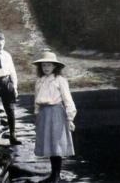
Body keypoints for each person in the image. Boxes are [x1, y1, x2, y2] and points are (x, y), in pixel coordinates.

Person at [33, 50, 77, 183]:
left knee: (56, 144)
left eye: (49, 65)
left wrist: (70, 119)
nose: (46, 68)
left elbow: (68, 99)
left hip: (56, 112)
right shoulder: (39, 81)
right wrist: (37, 113)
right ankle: (53, 174)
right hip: (44, 113)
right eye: (44, 65)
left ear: (55, 66)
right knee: (50, 145)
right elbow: (36, 98)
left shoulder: (60, 80)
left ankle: (57, 176)